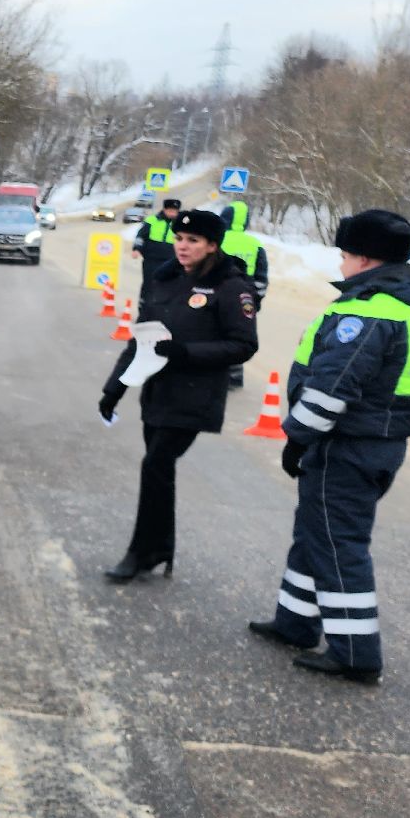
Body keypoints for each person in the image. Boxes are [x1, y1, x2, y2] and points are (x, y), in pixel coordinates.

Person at [249, 210, 410, 684]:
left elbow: (331, 387)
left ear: (363, 257)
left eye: (344, 254)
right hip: (377, 441)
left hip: (346, 446)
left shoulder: (369, 312)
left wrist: (297, 437)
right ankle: (295, 623)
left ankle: (356, 653)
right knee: (316, 532)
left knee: (338, 544)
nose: (340, 264)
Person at [99, 208, 259, 581]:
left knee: (155, 464)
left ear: (212, 245)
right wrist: (114, 389)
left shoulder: (231, 286)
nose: (183, 246)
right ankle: (160, 548)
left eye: (193, 241)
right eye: (179, 239)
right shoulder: (165, 278)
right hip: (157, 392)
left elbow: (242, 345)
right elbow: (141, 339)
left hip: (195, 394)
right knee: (159, 470)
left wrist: (188, 353)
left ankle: (140, 553)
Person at [218, 200, 270, 389]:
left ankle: (216, 374)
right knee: (237, 338)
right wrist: (255, 300)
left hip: (218, 296)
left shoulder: (217, 239)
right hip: (244, 298)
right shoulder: (255, 244)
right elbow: (261, 277)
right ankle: (234, 377)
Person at [131, 197, 181, 304]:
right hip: (151, 260)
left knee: (168, 286)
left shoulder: (180, 225)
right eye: (170, 210)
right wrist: (136, 249)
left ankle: (162, 310)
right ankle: (144, 307)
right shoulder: (152, 220)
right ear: (164, 209)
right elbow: (140, 236)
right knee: (149, 284)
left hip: (170, 261)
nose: (173, 213)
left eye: (175, 211)